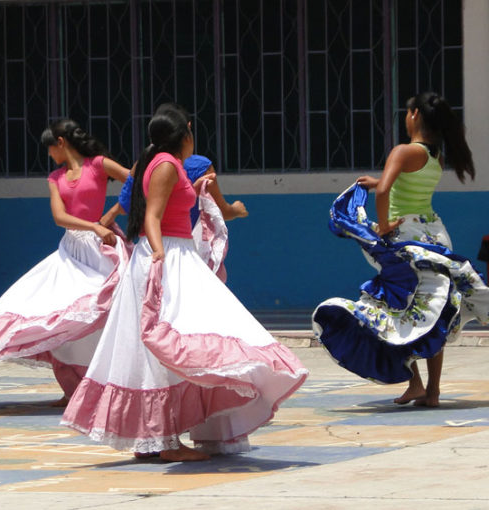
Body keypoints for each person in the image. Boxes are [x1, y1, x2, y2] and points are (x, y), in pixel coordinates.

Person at [61, 103, 308, 461]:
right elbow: (153, 216)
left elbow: (157, 207)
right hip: (169, 257)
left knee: (161, 346)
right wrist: (160, 252)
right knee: (175, 342)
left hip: (169, 254)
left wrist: (200, 195)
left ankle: (154, 438)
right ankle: (167, 443)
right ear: (187, 131)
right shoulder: (165, 164)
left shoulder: (161, 163)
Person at [313, 92, 489, 407]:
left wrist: (383, 225)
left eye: (407, 112)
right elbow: (405, 184)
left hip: (406, 239)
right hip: (435, 238)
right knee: (435, 310)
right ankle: (431, 391)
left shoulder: (402, 151)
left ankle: (415, 384)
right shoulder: (435, 157)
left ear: (415, 115)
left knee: (397, 308)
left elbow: (386, 191)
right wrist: (379, 181)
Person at [0, 119, 131, 406]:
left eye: (50, 148)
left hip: (102, 249)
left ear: (61, 143)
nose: (49, 154)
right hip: (72, 250)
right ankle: (73, 388)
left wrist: (113, 213)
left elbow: (137, 182)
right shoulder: (56, 177)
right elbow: (60, 217)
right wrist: (94, 225)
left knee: (102, 312)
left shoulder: (98, 164)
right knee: (61, 312)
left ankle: (106, 383)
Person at [101, 153, 248, 281]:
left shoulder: (144, 164)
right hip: (182, 250)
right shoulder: (199, 166)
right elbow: (221, 212)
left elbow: (124, 205)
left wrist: (106, 220)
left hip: (148, 251)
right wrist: (236, 209)